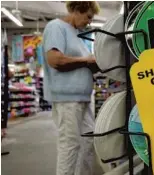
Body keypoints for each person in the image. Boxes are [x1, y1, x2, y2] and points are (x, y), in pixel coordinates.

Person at [42, 2, 100, 175]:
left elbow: (82, 62)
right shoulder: (56, 27)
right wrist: (85, 61)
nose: (89, 22)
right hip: (67, 98)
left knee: (88, 141)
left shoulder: (78, 34)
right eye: (88, 16)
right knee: (70, 144)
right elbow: (55, 60)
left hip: (83, 98)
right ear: (76, 10)